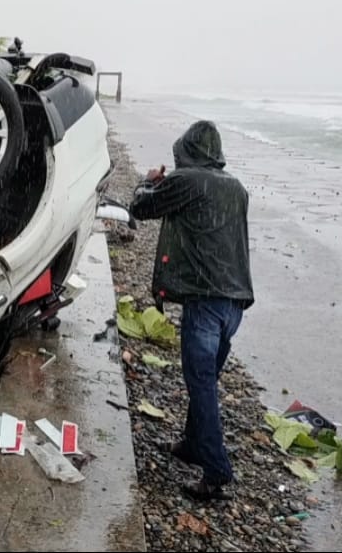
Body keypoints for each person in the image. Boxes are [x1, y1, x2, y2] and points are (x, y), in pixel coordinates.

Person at [129, 120, 254, 501]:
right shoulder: (237, 188)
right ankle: (193, 444)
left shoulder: (187, 181)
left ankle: (216, 474)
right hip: (235, 303)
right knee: (204, 382)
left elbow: (141, 208)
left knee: (201, 387)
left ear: (187, 153)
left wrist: (149, 181)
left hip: (205, 303)